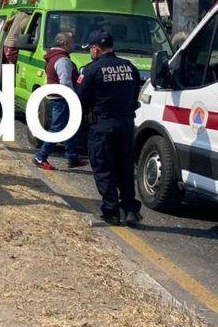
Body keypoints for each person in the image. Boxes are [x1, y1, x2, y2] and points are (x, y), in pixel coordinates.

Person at [76, 30, 142, 226]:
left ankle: (111, 211)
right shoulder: (130, 67)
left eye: (90, 50)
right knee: (125, 167)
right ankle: (130, 209)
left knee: (104, 167)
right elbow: (134, 95)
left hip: (102, 127)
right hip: (126, 125)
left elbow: (80, 99)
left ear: (96, 49)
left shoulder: (91, 70)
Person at [32, 32, 88, 171]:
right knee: (58, 128)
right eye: (72, 42)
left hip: (56, 96)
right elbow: (65, 81)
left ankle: (72, 157)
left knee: (68, 128)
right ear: (65, 44)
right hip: (61, 98)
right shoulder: (63, 60)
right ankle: (41, 156)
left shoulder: (53, 57)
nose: (74, 44)